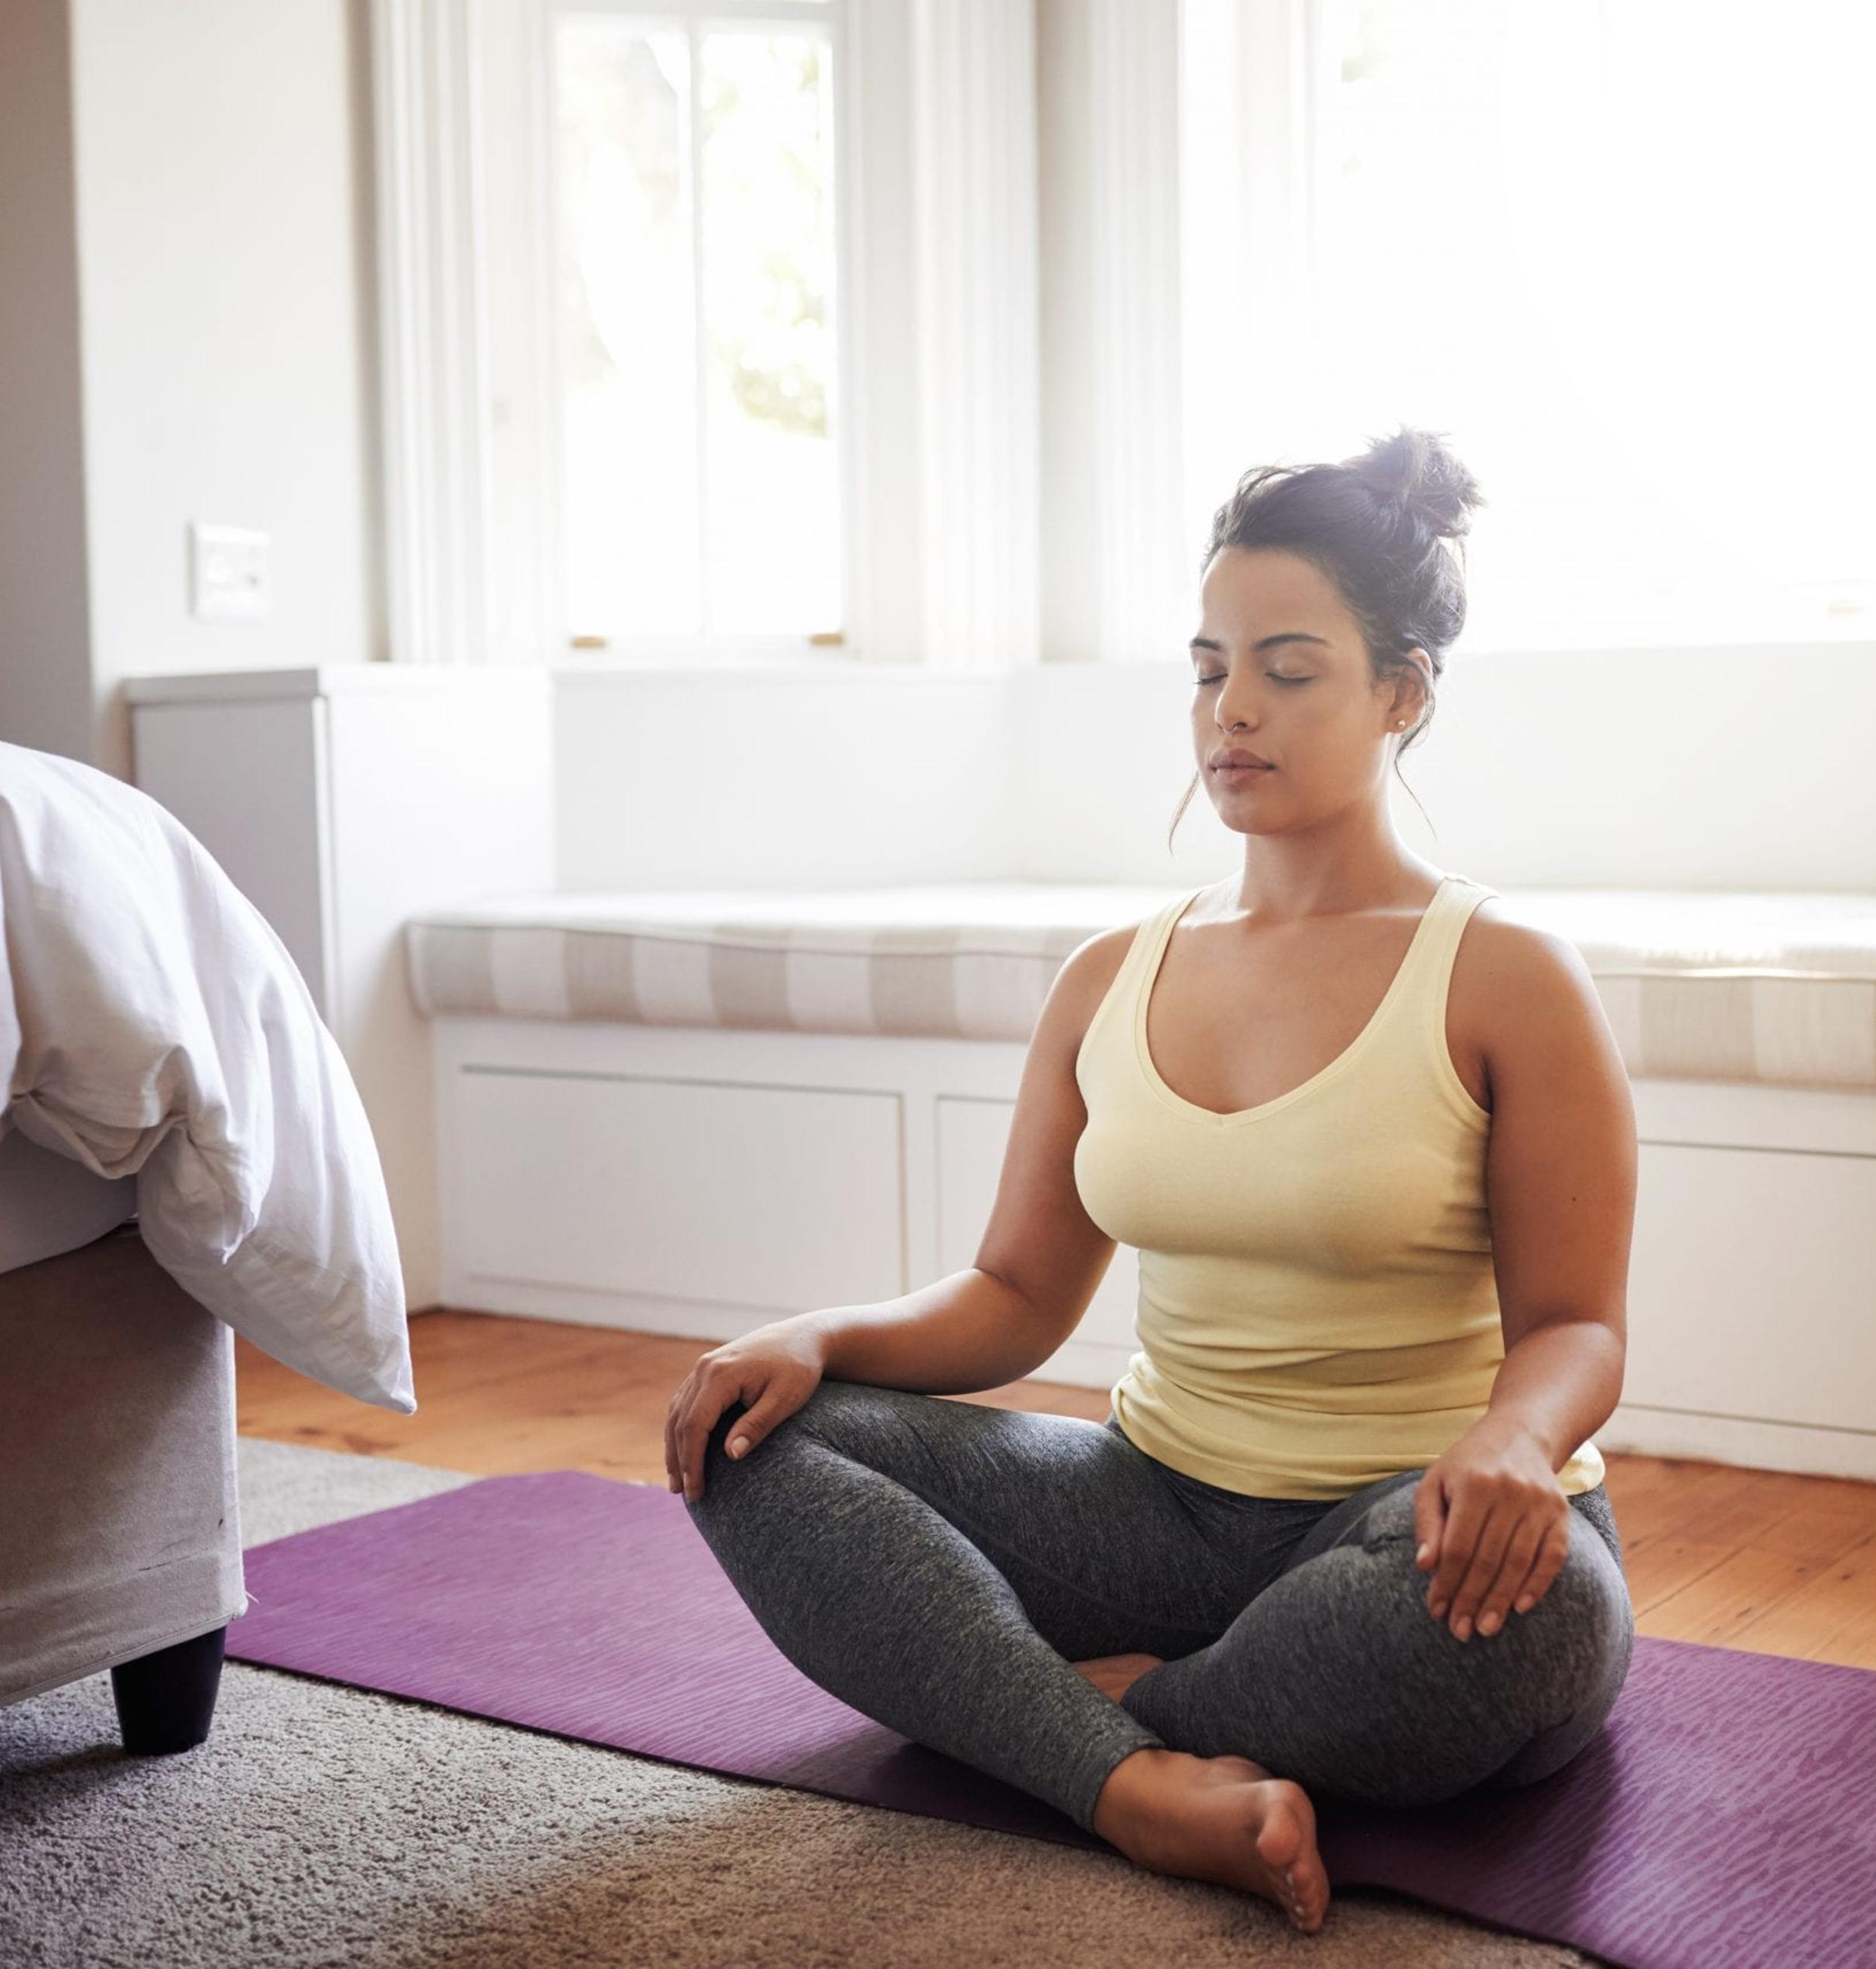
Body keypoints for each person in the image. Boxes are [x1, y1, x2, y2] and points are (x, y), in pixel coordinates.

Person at [662, 426, 1639, 1934]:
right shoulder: (1110, 977)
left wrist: (1516, 1440)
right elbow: (1014, 1299)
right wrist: (820, 1340)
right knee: (749, 1443)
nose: (1232, 710)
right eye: (1206, 667)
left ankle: (1064, 1708)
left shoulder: (1506, 976)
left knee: (1541, 1622)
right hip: (1151, 1507)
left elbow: (1579, 1327)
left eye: (1289, 669)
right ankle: (1136, 1785)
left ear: (1405, 689)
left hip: (1408, 1530)